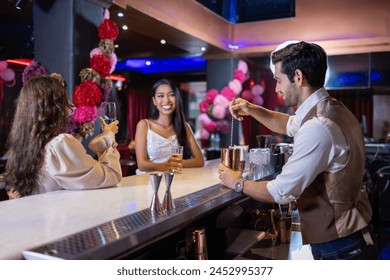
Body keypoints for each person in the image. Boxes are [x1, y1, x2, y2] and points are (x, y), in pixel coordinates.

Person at [218, 41, 377, 260]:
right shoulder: (331, 108)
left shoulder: (318, 126)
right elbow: (289, 124)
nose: (277, 89)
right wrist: (252, 109)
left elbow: (282, 191)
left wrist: (237, 182)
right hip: (353, 235)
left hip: (339, 247)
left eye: (278, 80)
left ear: (298, 77)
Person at [4, 75, 122, 197]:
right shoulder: (59, 145)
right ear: (55, 109)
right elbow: (110, 176)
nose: (70, 110)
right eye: (65, 102)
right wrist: (109, 136)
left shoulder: (24, 146)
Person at [135, 78, 204, 173]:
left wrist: (173, 165)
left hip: (176, 180)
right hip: (150, 181)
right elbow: (142, 165)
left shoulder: (184, 126)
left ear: (177, 98)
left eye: (171, 95)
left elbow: (199, 161)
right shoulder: (144, 125)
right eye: (160, 96)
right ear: (154, 101)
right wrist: (166, 166)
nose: (166, 100)